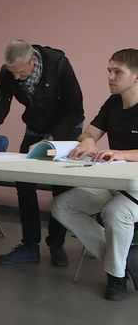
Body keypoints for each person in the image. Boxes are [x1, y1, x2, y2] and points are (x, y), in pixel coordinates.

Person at [0, 39, 84, 266]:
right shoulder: (9, 72)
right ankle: (29, 246)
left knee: (60, 186)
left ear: (33, 60)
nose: (16, 78)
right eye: (12, 72)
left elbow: (75, 109)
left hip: (65, 129)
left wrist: (51, 140)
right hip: (36, 127)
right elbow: (0, 104)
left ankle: (56, 244)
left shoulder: (59, 65)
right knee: (24, 183)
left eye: (21, 73)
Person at [52, 48, 138, 301]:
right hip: (113, 181)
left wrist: (124, 153)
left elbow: (125, 153)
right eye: (109, 71)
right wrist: (88, 142)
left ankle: (116, 277)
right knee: (62, 206)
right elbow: (88, 133)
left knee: (115, 212)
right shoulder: (112, 103)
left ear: (136, 76)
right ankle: (124, 260)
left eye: (117, 72)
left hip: (135, 185)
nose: (110, 77)